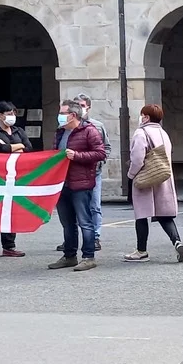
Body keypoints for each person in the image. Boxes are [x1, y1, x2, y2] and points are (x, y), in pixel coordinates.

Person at [49, 99, 108, 272]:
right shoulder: (60, 132)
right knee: (67, 223)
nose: (59, 116)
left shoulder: (89, 130)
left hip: (81, 183)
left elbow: (100, 153)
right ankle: (69, 256)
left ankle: (88, 257)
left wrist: (77, 156)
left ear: (73, 115)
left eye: (62, 113)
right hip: (62, 183)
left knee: (85, 222)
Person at [123, 104, 183, 263]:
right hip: (162, 177)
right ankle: (177, 241)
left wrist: (131, 175)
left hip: (145, 177)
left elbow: (137, 159)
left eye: (142, 115)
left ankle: (141, 251)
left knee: (141, 215)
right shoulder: (163, 133)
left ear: (146, 117)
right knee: (164, 215)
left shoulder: (141, 133)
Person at [0, 101, 31, 260]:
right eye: (9, 114)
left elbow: (28, 148)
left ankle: (9, 246)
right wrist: (17, 146)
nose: (12, 116)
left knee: (11, 209)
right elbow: (0, 148)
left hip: (15, 175)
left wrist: (12, 146)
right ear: (0, 115)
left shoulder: (18, 131)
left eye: (14, 113)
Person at [74, 94, 110, 251]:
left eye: (82, 105)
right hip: (75, 173)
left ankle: (95, 237)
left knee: (94, 206)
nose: (79, 108)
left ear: (88, 107)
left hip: (94, 172)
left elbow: (106, 147)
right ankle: (72, 239)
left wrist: (101, 161)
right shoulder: (69, 126)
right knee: (75, 207)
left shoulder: (97, 126)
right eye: (76, 105)